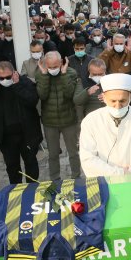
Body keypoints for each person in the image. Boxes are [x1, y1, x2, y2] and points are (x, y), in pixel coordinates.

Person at [79, 73, 131, 177]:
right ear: (104, 97)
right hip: (105, 180)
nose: (117, 106)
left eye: (122, 101)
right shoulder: (91, 121)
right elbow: (88, 158)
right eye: (113, 101)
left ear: (130, 96)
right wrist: (117, 173)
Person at [0, 61, 42, 184]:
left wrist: (17, 85)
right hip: (6, 137)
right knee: (12, 166)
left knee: (31, 162)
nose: (5, 80)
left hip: (27, 134)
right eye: (1, 78)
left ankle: (32, 188)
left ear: (14, 73)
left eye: (8, 77)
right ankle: (16, 190)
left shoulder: (24, 82)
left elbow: (32, 101)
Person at [36, 51, 83, 180]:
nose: (53, 69)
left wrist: (63, 75)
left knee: (73, 152)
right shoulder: (40, 75)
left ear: (61, 62)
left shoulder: (71, 73)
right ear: (45, 65)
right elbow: (42, 95)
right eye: (50, 67)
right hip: (50, 122)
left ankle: (76, 176)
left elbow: (69, 94)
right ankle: (55, 178)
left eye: (55, 66)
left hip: (69, 120)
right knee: (53, 154)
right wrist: (45, 76)